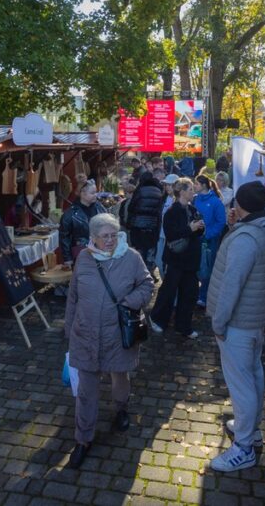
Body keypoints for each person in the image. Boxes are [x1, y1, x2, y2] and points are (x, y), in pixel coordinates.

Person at [64, 214, 154, 469]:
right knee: (86, 390)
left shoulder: (131, 257)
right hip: (86, 334)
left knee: (119, 377)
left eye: (114, 235)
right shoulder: (84, 257)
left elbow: (147, 285)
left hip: (117, 335)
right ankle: (83, 439)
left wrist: (130, 302)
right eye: (105, 236)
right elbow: (73, 296)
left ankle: (121, 408)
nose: (110, 240)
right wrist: (69, 328)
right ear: (92, 238)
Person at [206, 181, 265, 472]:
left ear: (240, 205)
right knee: (252, 374)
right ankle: (249, 428)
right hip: (254, 319)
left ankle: (244, 447)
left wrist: (219, 321)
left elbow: (231, 284)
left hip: (238, 322)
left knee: (241, 386)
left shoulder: (246, 239)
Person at [150, 178, 204, 339]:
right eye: (190, 190)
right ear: (182, 192)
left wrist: (200, 228)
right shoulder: (171, 212)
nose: (193, 193)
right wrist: (190, 228)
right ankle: (157, 319)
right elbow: (171, 234)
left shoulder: (193, 209)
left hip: (191, 260)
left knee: (189, 294)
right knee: (169, 291)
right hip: (175, 259)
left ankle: (184, 326)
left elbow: (198, 232)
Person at [193, 175, 226, 308]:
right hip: (195, 239)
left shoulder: (216, 201)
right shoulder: (194, 199)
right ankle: (194, 294)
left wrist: (208, 234)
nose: (194, 186)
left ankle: (204, 296)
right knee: (195, 267)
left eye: (196, 184)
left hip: (210, 241)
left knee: (207, 267)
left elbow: (221, 222)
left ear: (204, 185)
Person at [60, 181, 104, 268]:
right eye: (92, 193)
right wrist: (67, 258)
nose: (96, 195)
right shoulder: (70, 214)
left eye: (96, 192)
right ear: (83, 193)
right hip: (81, 252)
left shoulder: (100, 207)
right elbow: (64, 237)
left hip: (101, 250)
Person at [125, 171, 164, 269]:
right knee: (149, 250)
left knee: (139, 250)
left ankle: (139, 271)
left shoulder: (140, 190)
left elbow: (131, 207)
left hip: (138, 225)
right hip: (153, 226)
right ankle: (149, 271)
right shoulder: (159, 191)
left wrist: (129, 223)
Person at [153, 173, 178, 276]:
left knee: (170, 264)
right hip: (161, 236)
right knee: (159, 261)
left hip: (173, 238)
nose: (167, 187)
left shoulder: (180, 201)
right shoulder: (163, 199)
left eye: (170, 185)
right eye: (166, 185)